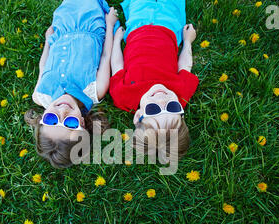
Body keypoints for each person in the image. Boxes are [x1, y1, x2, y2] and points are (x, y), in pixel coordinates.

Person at [25, 0, 118, 168]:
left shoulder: (40, 94)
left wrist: (48, 41)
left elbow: (43, 66)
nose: (62, 110)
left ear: (41, 120)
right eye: (70, 123)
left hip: (63, 25)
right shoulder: (94, 90)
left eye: (52, 119)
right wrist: (109, 25)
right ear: (82, 124)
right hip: (90, 22)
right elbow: (106, 56)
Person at [110, 0, 199, 161]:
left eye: (152, 109)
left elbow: (117, 65)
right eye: (172, 107)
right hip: (169, 27)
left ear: (138, 116)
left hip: (138, 26)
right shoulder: (182, 93)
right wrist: (187, 41)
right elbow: (185, 64)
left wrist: (116, 41)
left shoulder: (123, 95)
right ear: (181, 113)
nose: (161, 98)